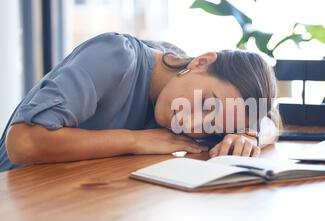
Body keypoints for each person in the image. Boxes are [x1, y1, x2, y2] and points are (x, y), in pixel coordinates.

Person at [0, 32, 279, 172]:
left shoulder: (186, 100)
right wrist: (136, 140)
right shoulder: (117, 55)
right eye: (206, 103)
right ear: (202, 61)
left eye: (213, 125)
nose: (190, 124)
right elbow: (23, 143)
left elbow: (273, 121)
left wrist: (247, 134)